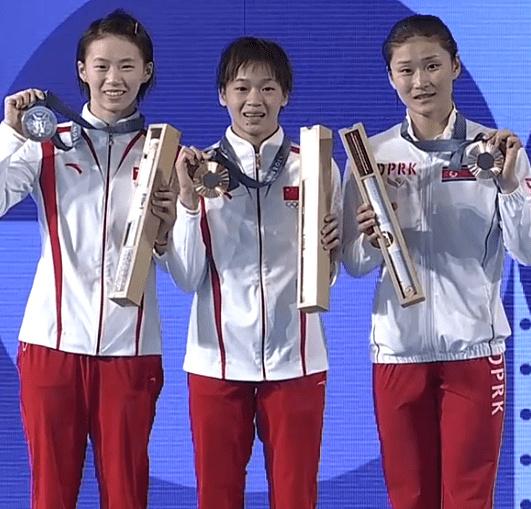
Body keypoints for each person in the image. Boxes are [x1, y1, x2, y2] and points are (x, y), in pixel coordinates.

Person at [0, 9, 175, 509]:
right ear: (82, 70)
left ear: (146, 71)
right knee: (51, 495)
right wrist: (12, 134)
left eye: (127, 66)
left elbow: (180, 264)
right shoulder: (48, 143)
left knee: (127, 495)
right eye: (101, 65)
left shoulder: (165, 151)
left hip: (131, 350)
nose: (113, 78)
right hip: (51, 346)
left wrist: (170, 228)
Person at [340, 14, 531, 509]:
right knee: (408, 498)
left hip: (474, 350)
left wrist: (510, 186)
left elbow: (529, 251)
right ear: (391, 78)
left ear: (456, 66)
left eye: (432, 65)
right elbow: (354, 263)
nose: (420, 81)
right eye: (406, 70)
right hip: (398, 351)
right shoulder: (370, 153)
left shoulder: (496, 150)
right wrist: (370, 238)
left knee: (469, 499)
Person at [165, 36, 341, 509]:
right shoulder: (197, 170)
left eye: (267, 88)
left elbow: (333, 269)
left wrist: (334, 254)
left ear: (285, 94)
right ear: (223, 95)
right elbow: (184, 277)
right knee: (217, 498)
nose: (253, 101)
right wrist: (186, 203)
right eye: (241, 88)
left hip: (298, 361)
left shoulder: (316, 166)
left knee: (296, 498)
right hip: (216, 361)